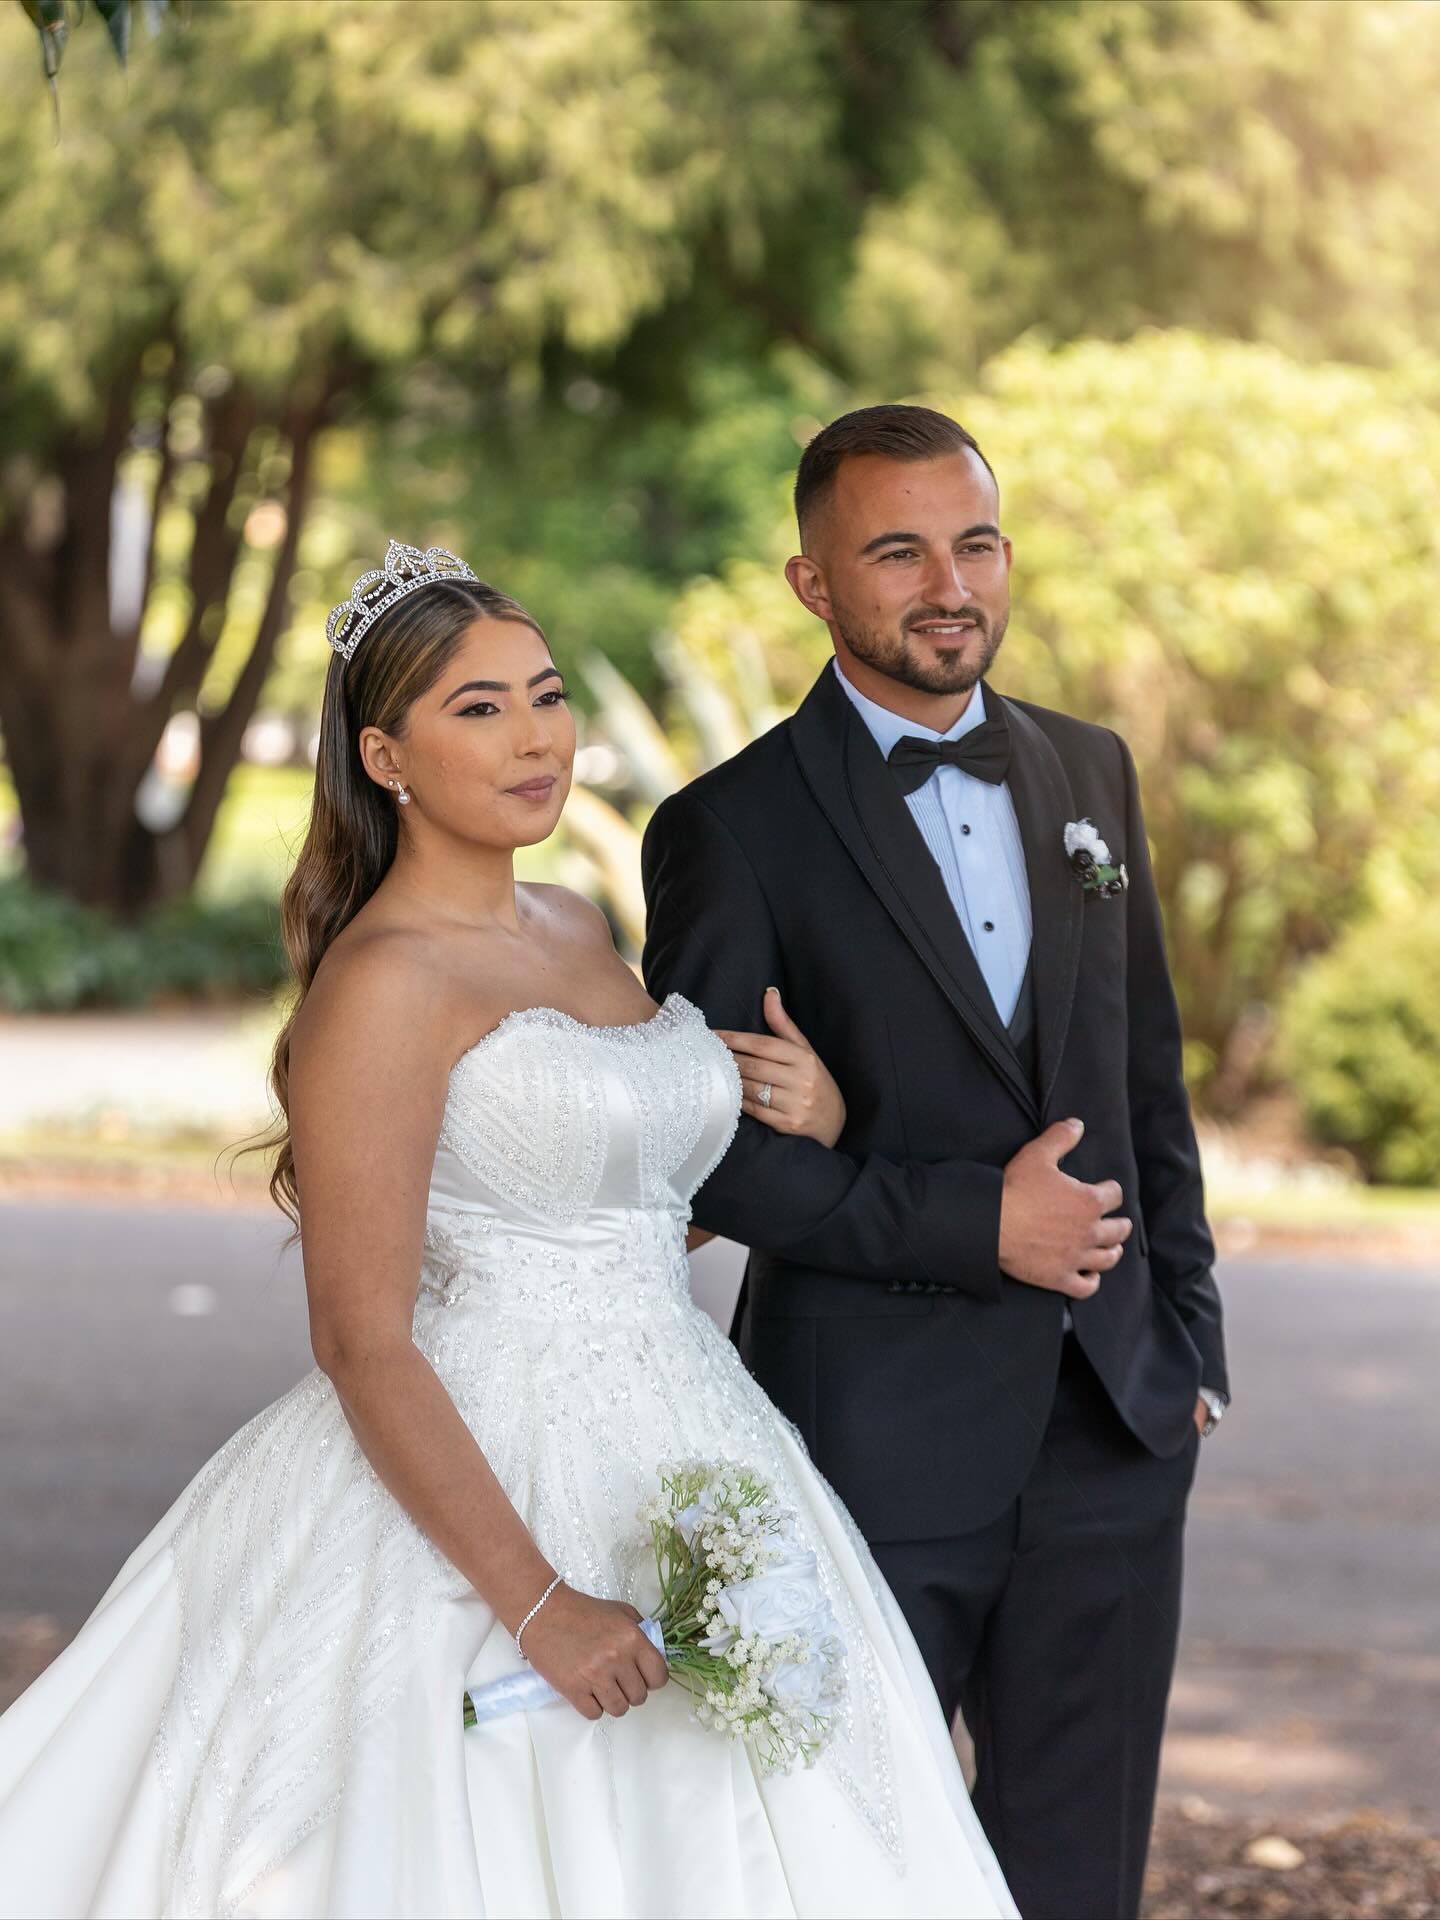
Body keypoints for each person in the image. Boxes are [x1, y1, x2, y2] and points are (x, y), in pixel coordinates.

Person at [0, 541, 1015, 1920]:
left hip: (690, 1430)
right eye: (478, 709)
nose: (536, 736)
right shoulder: (384, 986)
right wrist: (538, 1604)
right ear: (385, 754)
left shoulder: (581, 924)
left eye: (544, 695)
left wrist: (819, 1122)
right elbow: (362, 1339)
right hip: (484, 1469)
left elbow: (617, 1228)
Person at [642, 405, 1230, 1920]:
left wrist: (1190, 1350)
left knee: (1079, 1877)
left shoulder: (1092, 773)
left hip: (1114, 1429)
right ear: (813, 584)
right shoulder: (731, 829)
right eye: (896, 552)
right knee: (857, 1872)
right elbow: (716, 1174)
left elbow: (1145, 1089)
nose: (947, 584)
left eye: (973, 544)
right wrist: (984, 1224)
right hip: (871, 1445)